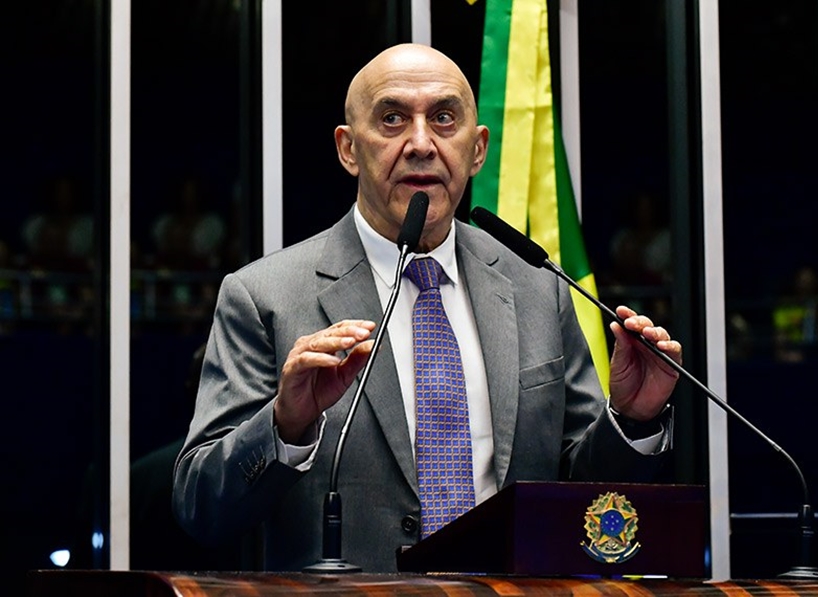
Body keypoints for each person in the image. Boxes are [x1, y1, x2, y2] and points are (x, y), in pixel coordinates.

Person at [173, 43, 682, 573]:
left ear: (477, 149)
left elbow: (580, 498)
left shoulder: (536, 286)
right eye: (392, 119)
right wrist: (284, 425)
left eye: (443, 118)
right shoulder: (265, 297)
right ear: (348, 149)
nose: (421, 144)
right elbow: (201, 508)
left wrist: (630, 420)